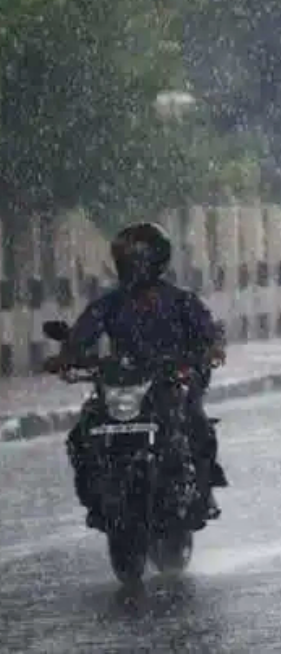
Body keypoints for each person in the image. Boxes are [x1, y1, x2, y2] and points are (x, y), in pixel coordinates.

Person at [45, 222, 227, 527]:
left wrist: (210, 349)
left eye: (140, 257)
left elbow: (209, 333)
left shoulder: (181, 301)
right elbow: (82, 335)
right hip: (123, 381)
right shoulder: (110, 303)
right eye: (129, 257)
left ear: (157, 260)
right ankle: (95, 497)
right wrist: (65, 357)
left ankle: (203, 492)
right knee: (82, 432)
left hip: (170, 379)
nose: (135, 264)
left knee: (195, 422)